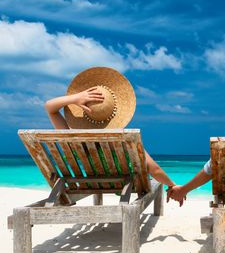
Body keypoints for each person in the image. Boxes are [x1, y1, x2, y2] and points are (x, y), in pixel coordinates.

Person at [45, 66, 175, 188]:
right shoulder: (124, 141)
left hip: (92, 185)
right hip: (125, 186)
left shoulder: (75, 141)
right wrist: (172, 186)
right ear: (115, 113)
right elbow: (154, 170)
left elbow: (50, 108)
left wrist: (74, 98)